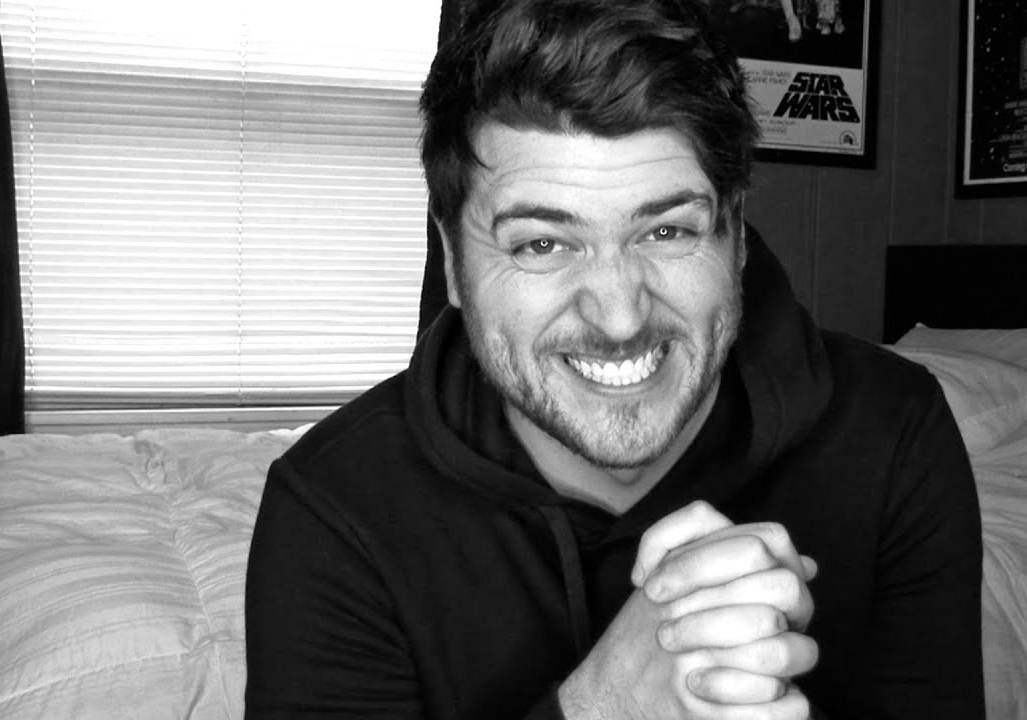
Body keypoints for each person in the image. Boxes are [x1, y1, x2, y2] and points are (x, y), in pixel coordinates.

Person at [243, 0, 984, 718]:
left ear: (735, 235)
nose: (621, 316)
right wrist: (610, 705)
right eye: (542, 243)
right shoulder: (332, 506)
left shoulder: (894, 433)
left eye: (666, 232)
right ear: (452, 262)